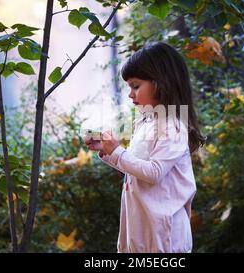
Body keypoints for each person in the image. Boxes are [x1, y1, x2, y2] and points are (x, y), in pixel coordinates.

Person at [85, 42, 205, 253]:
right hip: (141, 228)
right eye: (129, 87)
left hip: (165, 237)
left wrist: (118, 151)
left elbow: (154, 173)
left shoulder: (173, 126)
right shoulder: (147, 121)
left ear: (161, 84)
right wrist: (107, 151)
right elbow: (136, 168)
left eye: (136, 86)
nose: (130, 94)